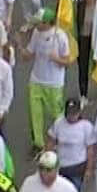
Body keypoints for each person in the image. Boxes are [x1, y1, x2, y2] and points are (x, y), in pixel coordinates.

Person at [26, 8, 74, 149]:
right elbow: (29, 54)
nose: (37, 25)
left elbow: (67, 61)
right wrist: (19, 46)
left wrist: (56, 59)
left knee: (56, 115)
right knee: (35, 114)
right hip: (36, 79)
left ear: (48, 23)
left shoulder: (60, 36)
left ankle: (60, 139)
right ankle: (38, 143)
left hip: (54, 83)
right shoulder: (36, 33)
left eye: (39, 23)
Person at [47, 98, 97, 192]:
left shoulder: (86, 126)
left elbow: (90, 149)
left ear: (79, 112)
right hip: (61, 167)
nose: (72, 117)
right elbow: (51, 141)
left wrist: (89, 169)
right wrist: (49, 159)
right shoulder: (59, 123)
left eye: (74, 114)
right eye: (69, 114)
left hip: (77, 168)